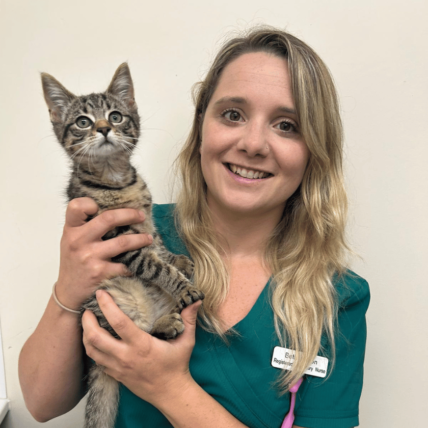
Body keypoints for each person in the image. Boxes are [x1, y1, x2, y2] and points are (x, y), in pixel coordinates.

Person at [18, 27, 370, 428]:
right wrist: (67, 287)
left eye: (287, 124)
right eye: (233, 114)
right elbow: (41, 403)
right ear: (202, 125)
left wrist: (169, 387)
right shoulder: (130, 230)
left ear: (315, 148)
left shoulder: (340, 298)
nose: (253, 144)